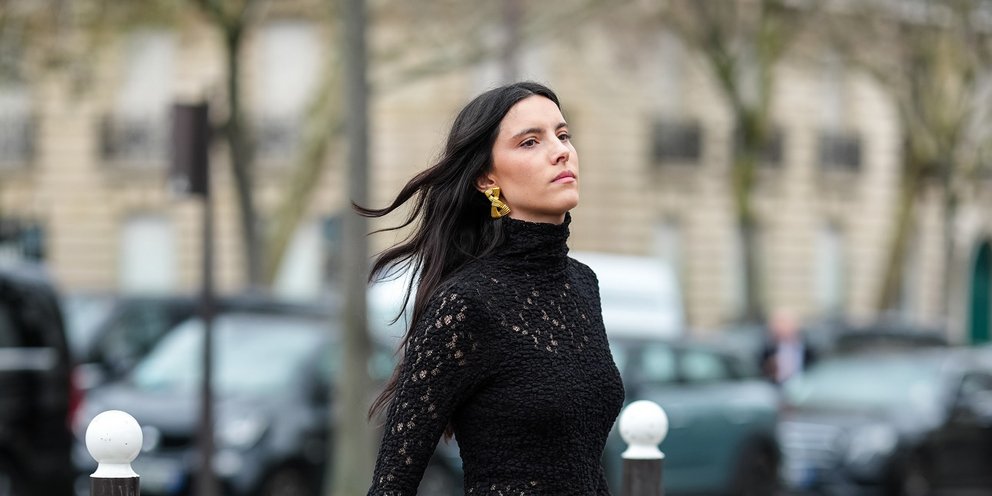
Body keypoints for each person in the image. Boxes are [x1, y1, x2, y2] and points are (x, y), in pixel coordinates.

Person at [358, 81, 625, 495]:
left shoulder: (583, 284)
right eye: (530, 142)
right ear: (486, 179)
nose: (560, 151)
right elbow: (392, 484)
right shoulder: (466, 304)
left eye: (563, 135)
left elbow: (582, 463)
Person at [759, 309, 816, 384]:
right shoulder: (768, 350)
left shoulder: (809, 348)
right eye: (776, 324)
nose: (778, 327)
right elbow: (763, 374)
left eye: (783, 323)